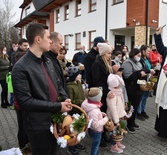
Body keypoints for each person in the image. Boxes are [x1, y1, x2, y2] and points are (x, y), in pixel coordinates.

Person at [12, 23, 72, 155]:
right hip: (38, 125)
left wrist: (64, 97)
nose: (51, 41)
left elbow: (57, 83)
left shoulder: (48, 61)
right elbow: (26, 102)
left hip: (55, 120)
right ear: (38, 39)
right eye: (48, 37)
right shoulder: (21, 67)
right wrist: (57, 106)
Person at [91, 42, 114, 147]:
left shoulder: (106, 63)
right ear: (103, 53)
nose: (110, 55)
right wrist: (106, 91)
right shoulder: (97, 63)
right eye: (108, 53)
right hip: (101, 94)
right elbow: (97, 81)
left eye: (110, 53)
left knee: (104, 113)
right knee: (100, 115)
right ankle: (99, 137)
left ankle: (104, 134)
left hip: (106, 92)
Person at [122, 48, 147, 133]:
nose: (139, 57)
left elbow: (142, 70)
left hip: (138, 87)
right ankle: (129, 124)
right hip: (131, 88)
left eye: (140, 56)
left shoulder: (138, 62)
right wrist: (139, 74)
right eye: (138, 55)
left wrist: (144, 73)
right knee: (131, 106)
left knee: (136, 106)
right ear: (133, 54)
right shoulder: (127, 63)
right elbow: (128, 76)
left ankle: (133, 122)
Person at [81, 87, 109, 155]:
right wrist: (105, 119)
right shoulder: (94, 111)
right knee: (96, 145)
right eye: (100, 97)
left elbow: (92, 116)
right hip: (96, 131)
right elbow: (95, 124)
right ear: (97, 99)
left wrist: (100, 114)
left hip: (91, 129)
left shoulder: (88, 103)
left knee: (95, 144)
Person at [66, 65, 86, 155]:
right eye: (78, 74)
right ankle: (71, 146)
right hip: (74, 111)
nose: (80, 76)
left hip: (80, 110)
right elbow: (71, 101)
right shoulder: (69, 87)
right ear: (74, 76)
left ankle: (77, 142)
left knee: (79, 128)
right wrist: (82, 101)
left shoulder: (78, 83)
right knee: (72, 129)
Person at [106, 73, 127, 154]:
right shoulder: (112, 95)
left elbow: (120, 104)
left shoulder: (118, 92)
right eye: (118, 84)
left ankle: (117, 142)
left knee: (118, 131)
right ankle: (113, 145)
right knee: (113, 132)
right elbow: (112, 108)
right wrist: (116, 120)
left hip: (118, 115)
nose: (119, 86)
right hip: (113, 117)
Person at [137, 45, 155, 120]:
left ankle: (143, 110)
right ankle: (139, 112)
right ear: (143, 51)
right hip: (142, 80)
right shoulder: (140, 59)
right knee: (141, 97)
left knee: (145, 97)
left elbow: (150, 67)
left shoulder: (147, 59)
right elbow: (141, 68)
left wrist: (152, 70)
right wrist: (149, 71)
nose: (149, 52)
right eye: (148, 51)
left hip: (148, 79)